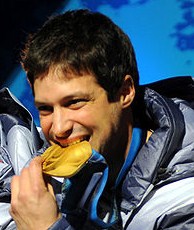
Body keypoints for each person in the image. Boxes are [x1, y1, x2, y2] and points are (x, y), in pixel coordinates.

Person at [1, 9, 194, 229]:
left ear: (125, 92)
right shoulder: (39, 172)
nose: (59, 128)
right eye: (45, 109)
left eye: (74, 102)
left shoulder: (185, 201)